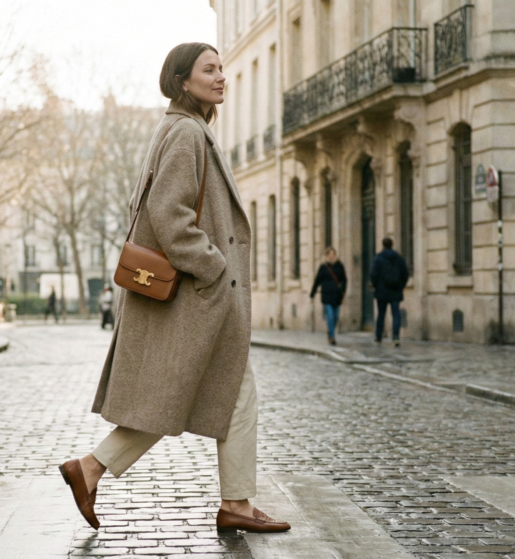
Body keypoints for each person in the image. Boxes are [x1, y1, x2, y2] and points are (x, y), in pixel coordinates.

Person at [58, 43, 289, 535]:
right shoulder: (186, 133)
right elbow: (169, 215)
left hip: (195, 299)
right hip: (198, 298)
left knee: (196, 395)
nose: (222, 76)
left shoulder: (186, 129)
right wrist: (215, 269)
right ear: (183, 81)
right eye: (210, 69)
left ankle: (96, 469)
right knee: (203, 394)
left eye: (222, 68)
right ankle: (235, 505)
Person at [369, 237, 410, 347]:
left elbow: (373, 274)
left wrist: (377, 285)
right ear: (392, 245)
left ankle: (378, 336)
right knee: (396, 314)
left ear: (383, 245)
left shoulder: (378, 258)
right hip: (395, 291)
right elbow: (405, 274)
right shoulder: (399, 258)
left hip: (382, 291)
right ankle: (396, 337)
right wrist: (401, 286)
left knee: (381, 314)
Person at [309, 247, 347, 345]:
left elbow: (344, 279)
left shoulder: (339, 266)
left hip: (337, 295)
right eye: (330, 254)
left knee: (336, 317)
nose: (331, 256)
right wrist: (312, 293)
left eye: (333, 254)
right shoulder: (323, 267)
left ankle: (330, 331)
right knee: (330, 316)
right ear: (326, 256)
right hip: (327, 295)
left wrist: (343, 290)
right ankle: (332, 337)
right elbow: (317, 280)